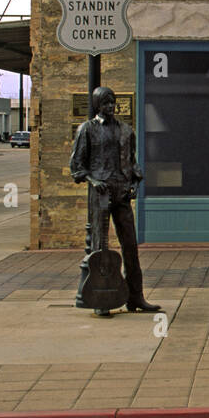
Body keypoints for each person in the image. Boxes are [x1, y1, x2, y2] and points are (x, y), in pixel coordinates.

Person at [69, 86, 161, 315]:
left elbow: (132, 162)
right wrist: (92, 180)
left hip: (121, 191)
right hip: (100, 193)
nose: (110, 107)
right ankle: (101, 298)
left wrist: (135, 184)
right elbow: (77, 165)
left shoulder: (125, 130)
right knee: (99, 246)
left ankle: (135, 296)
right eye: (105, 103)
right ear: (97, 105)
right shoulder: (87, 130)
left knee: (130, 245)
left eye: (112, 102)